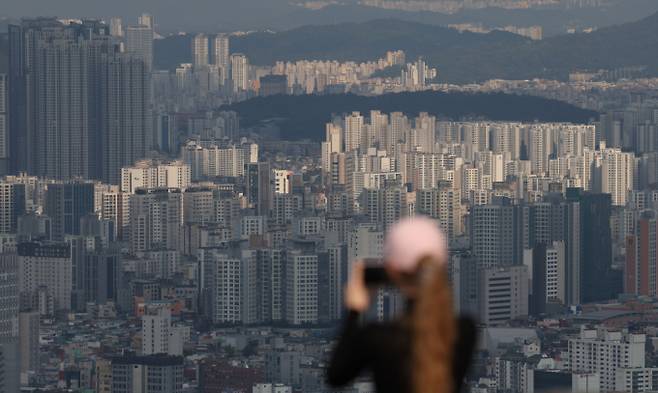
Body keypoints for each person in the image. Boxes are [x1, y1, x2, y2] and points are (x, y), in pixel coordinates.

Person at [327, 217, 477, 393]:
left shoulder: (379, 339)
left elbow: (336, 376)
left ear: (391, 270)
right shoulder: (464, 332)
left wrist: (355, 310)